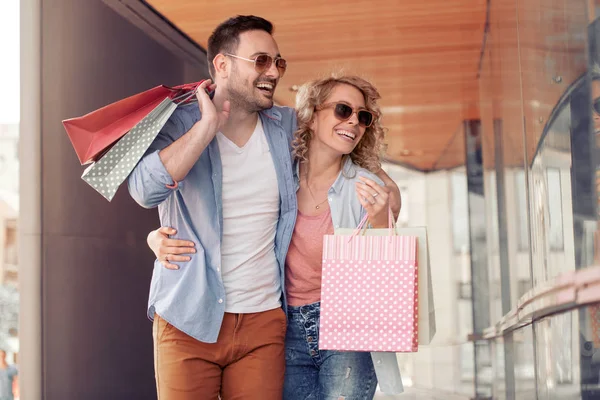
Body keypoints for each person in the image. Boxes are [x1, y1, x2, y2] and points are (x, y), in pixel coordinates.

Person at [128, 15, 400, 400]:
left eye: (278, 62)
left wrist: (385, 208)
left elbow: (354, 166)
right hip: (188, 317)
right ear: (222, 65)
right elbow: (144, 190)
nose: (273, 71)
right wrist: (206, 128)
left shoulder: (285, 126)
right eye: (261, 61)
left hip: (265, 322)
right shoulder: (179, 121)